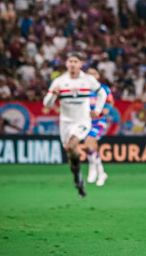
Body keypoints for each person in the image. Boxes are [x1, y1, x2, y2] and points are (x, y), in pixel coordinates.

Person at [43, 53, 107, 198]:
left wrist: (97, 110)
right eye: (70, 61)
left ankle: (81, 176)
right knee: (71, 154)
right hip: (65, 123)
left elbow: (102, 93)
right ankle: (78, 178)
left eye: (75, 61)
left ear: (80, 64)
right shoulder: (59, 81)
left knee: (73, 144)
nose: (72, 64)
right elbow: (46, 103)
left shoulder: (88, 80)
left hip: (82, 121)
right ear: (66, 64)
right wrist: (53, 94)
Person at [84, 69, 113, 187]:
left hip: (98, 121)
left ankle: (95, 169)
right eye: (88, 74)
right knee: (91, 147)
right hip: (84, 122)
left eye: (93, 73)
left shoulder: (103, 88)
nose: (91, 76)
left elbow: (110, 101)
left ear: (98, 76)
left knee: (89, 142)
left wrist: (107, 108)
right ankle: (100, 171)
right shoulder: (83, 88)